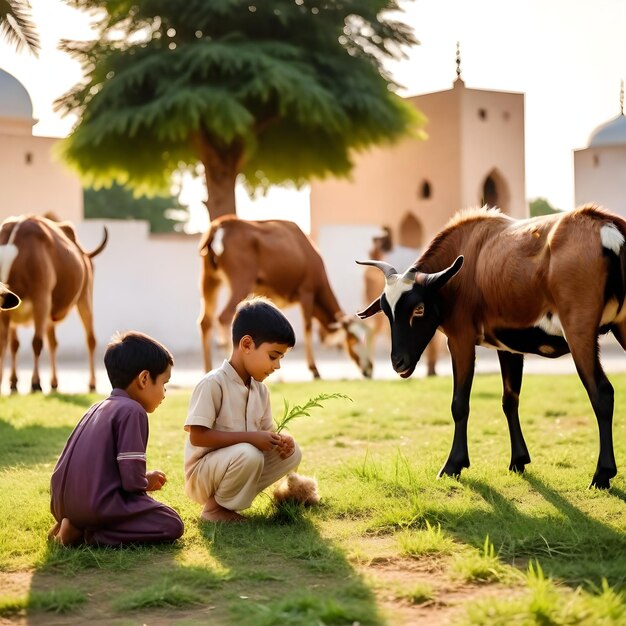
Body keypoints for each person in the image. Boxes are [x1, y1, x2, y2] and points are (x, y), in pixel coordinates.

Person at [48, 331, 184, 546]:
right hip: (96, 506)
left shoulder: (97, 408)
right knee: (171, 522)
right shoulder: (132, 411)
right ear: (144, 379)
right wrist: (145, 481)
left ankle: (71, 523)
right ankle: (85, 534)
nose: (164, 393)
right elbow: (131, 482)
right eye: (164, 384)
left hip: (61, 504)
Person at [184, 297, 302, 522]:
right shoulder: (213, 384)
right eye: (273, 356)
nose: (277, 366)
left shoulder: (261, 391)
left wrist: (281, 441)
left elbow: (267, 433)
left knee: (293, 453)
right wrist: (251, 438)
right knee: (249, 453)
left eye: (281, 358)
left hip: (239, 464)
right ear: (246, 345)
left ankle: (229, 505)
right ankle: (213, 509)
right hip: (202, 476)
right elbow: (198, 436)